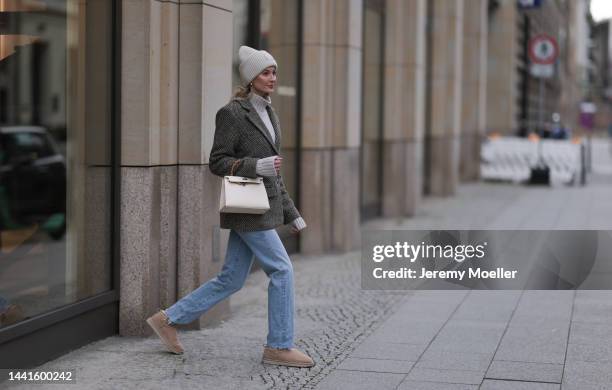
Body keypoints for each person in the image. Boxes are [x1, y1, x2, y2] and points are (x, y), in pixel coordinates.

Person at [146, 46, 314, 368]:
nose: (272, 78)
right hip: (247, 208)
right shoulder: (232, 113)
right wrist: (254, 166)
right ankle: (278, 346)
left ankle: (167, 319)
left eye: (274, 72)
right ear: (251, 78)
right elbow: (217, 161)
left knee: (231, 279)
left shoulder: (271, 113)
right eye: (265, 72)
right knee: (282, 269)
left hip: (262, 207)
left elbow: (274, 170)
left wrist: (292, 212)